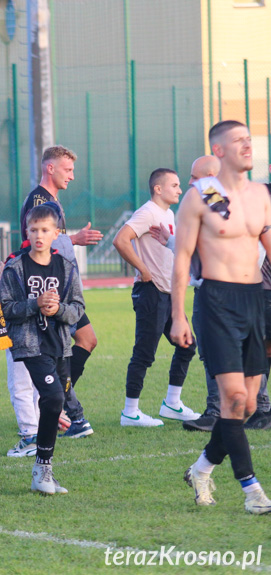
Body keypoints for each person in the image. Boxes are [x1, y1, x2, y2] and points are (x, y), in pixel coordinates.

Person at [173, 120, 271, 514]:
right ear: (219, 150)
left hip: (255, 300)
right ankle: (252, 491)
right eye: (238, 140)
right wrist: (178, 315)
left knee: (245, 406)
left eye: (250, 139)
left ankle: (201, 469)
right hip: (216, 301)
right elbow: (181, 258)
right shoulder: (200, 196)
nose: (248, 145)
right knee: (231, 397)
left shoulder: (261, 194)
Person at [6, 145, 99, 458]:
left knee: (76, 344)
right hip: (44, 289)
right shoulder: (39, 200)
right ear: (50, 168)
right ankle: (65, 410)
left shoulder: (51, 199)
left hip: (58, 289)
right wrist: (73, 240)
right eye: (67, 170)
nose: (72, 176)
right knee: (60, 348)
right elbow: (34, 243)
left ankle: (63, 404)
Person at [0, 203, 85, 495]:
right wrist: (35, 304)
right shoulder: (16, 267)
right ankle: (42, 469)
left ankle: (42, 470)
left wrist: (57, 308)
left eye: (45, 230)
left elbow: (77, 309)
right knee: (53, 396)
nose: (39, 235)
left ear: (56, 233)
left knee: (53, 403)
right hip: (29, 345)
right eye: (33, 230)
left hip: (59, 345)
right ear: (26, 231)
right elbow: (6, 308)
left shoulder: (67, 267)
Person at [112, 168, 198, 426]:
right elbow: (121, 240)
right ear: (158, 189)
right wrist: (143, 269)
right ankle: (130, 411)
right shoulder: (147, 212)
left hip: (170, 294)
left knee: (187, 346)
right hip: (151, 292)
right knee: (144, 354)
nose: (180, 190)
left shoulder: (169, 213)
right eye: (174, 185)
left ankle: (172, 403)